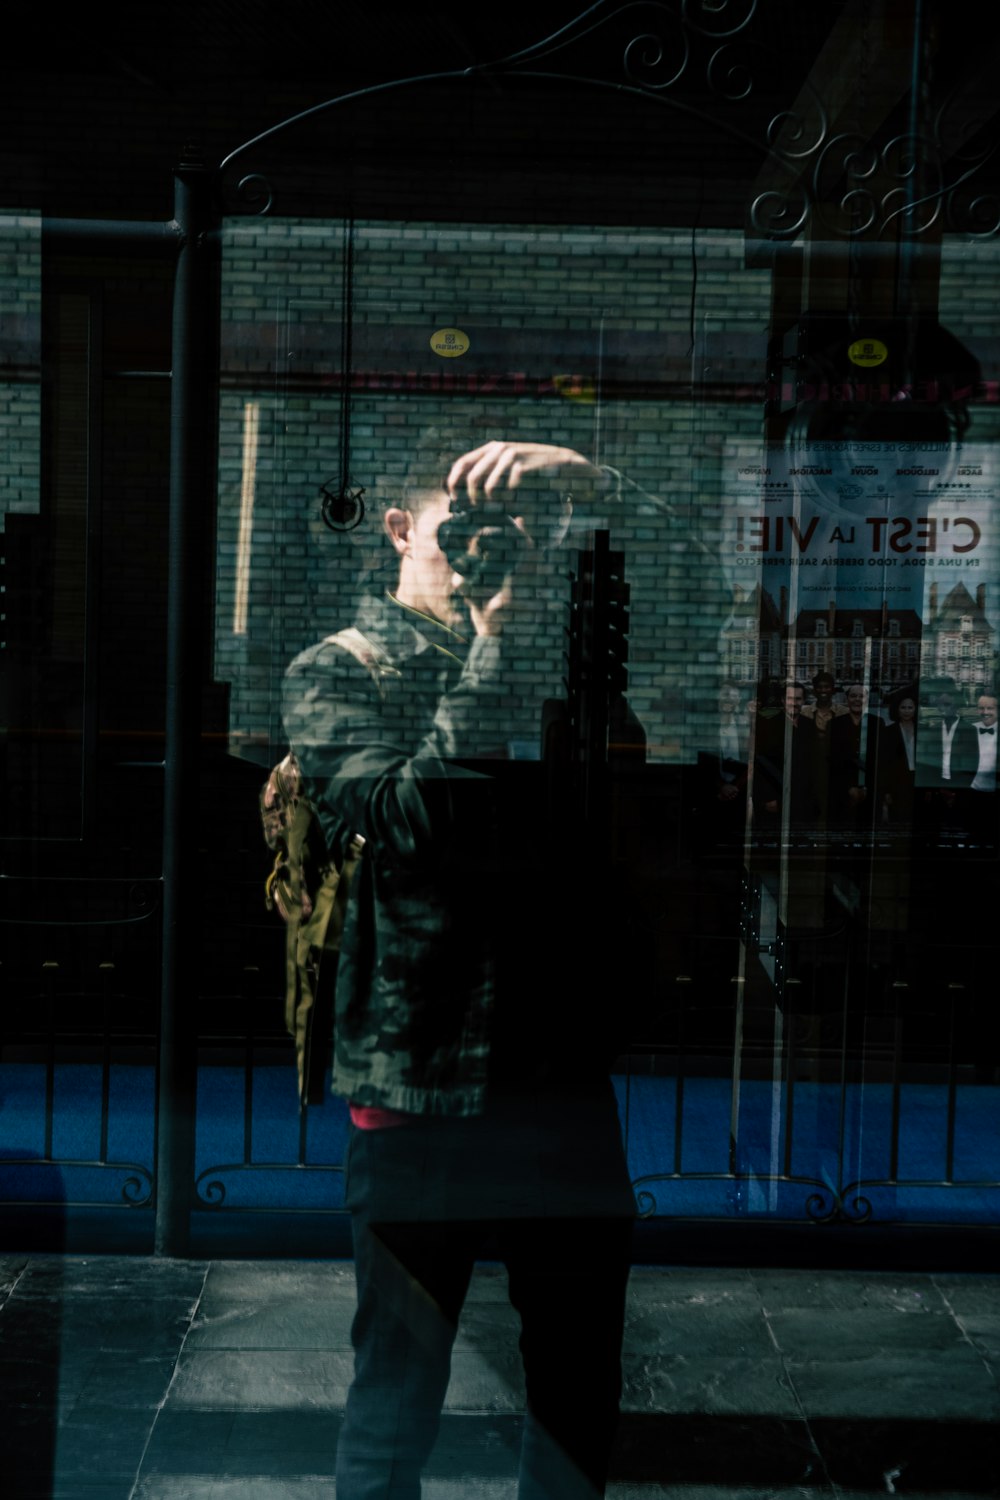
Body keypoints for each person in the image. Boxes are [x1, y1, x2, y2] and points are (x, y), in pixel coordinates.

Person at [282, 432, 636, 1500]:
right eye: (461, 528)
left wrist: (589, 481)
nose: (485, 550)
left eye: (505, 534)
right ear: (398, 528)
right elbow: (414, 817)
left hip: (558, 1081)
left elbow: (701, 585)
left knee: (578, 1386)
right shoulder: (334, 671)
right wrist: (496, 640)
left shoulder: (558, 652)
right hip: (418, 1091)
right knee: (397, 1392)